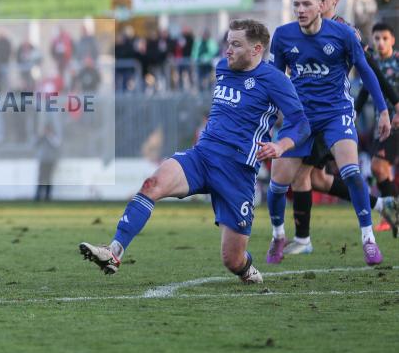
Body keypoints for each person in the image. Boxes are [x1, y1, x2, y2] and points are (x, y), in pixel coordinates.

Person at [79, 19, 310, 283]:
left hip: (237, 173)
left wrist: (281, 145)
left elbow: (301, 123)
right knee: (152, 184)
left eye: (236, 44)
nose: (227, 50)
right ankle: (114, 251)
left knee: (232, 260)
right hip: (202, 157)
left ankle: (247, 268)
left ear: (257, 50)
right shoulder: (224, 67)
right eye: (227, 43)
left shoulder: (275, 81)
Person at [265, 0, 391, 266]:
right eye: (296, 4)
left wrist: (383, 109)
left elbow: (367, 71)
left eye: (306, 4)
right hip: (300, 118)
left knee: (350, 170)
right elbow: (275, 80)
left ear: (322, 6)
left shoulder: (344, 34)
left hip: (336, 113)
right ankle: (278, 235)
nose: (300, 9)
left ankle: (369, 239)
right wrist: (270, 119)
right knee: (277, 184)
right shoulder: (283, 36)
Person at [354, 22, 399, 236]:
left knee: (378, 165)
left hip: (396, 124)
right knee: (378, 167)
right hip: (382, 127)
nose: (380, 43)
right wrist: (353, 113)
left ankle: (392, 213)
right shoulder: (370, 64)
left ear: (392, 40)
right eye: (377, 38)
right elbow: (364, 91)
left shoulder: (397, 62)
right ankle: (392, 212)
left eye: (385, 38)